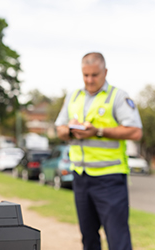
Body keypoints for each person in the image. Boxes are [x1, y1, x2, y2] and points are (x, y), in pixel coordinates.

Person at [55, 52, 142, 250]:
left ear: (105, 72)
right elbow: (59, 129)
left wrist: (99, 131)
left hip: (110, 178)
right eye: (85, 75)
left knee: (117, 239)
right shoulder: (73, 96)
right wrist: (70, 130)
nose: (90, 80)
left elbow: (136, 131)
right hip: (80, 176)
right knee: (88, 239)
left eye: (94, 75)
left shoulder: (118, 96)